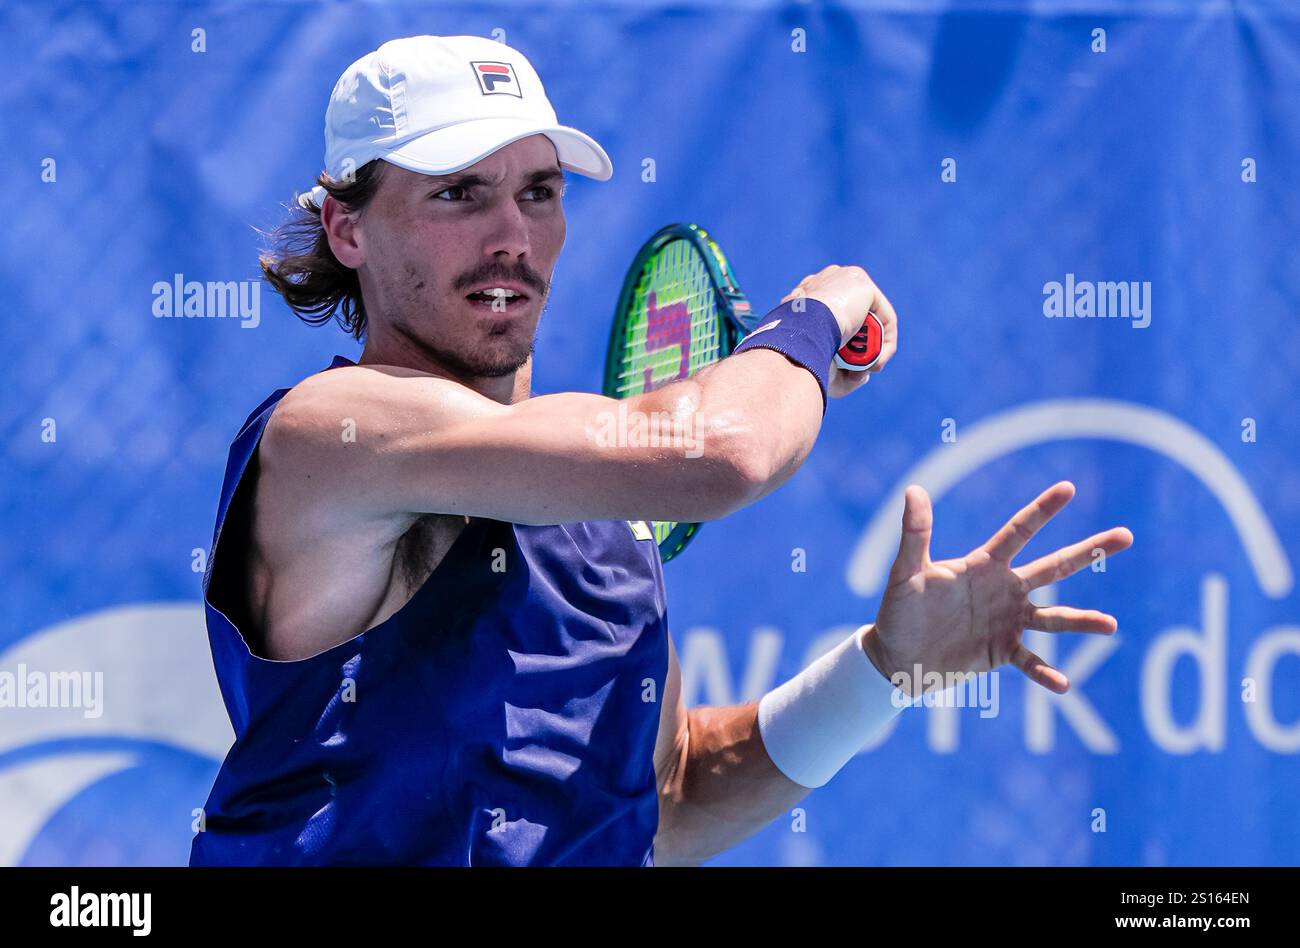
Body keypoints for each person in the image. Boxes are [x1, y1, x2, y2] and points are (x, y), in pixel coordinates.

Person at [190, 34, 1132, 866]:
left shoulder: (605, 513)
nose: (512, 234)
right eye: (459, 193)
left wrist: (882, 669)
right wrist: (813, 317)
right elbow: (728, 451)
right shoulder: (333, 430)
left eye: (540, 192)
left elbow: (666, 800)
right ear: (345, 227)